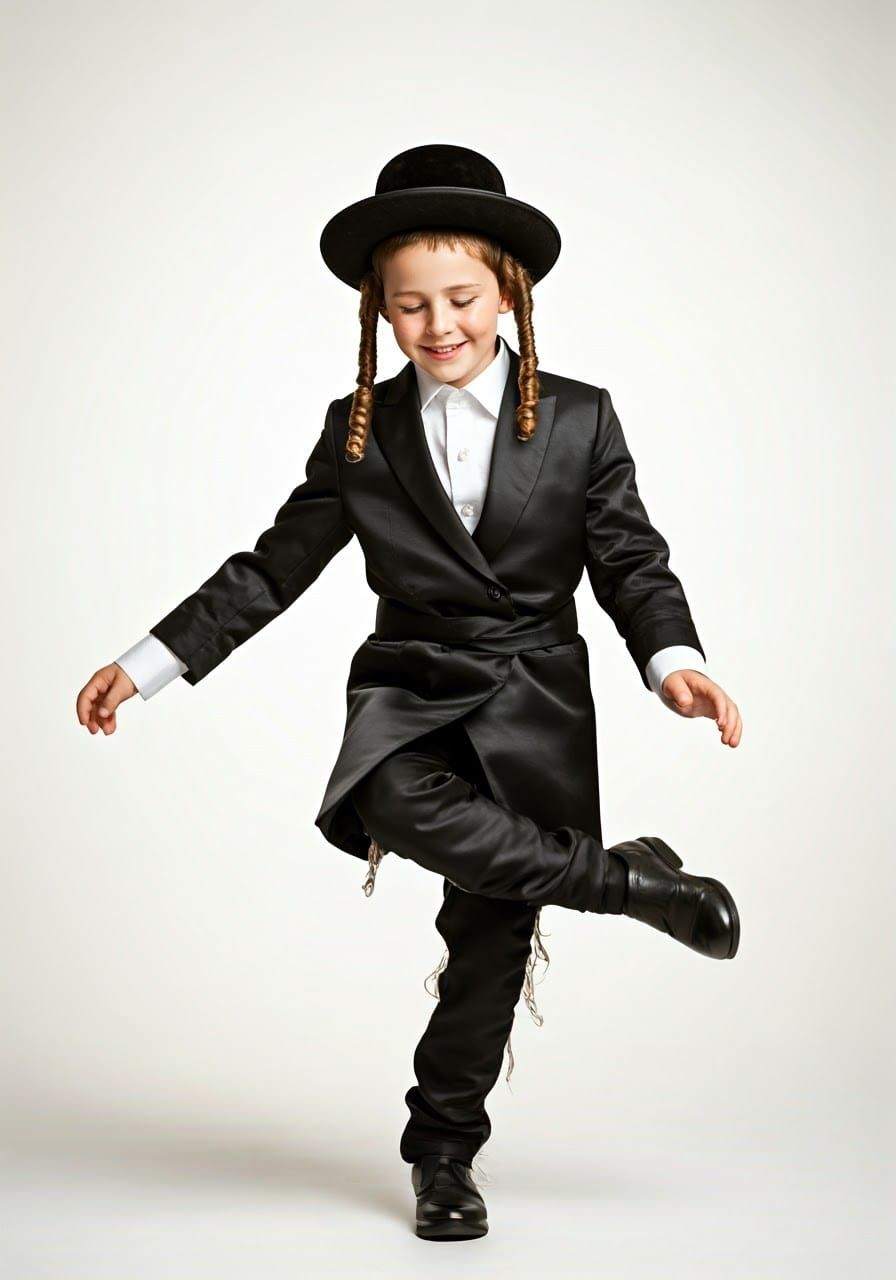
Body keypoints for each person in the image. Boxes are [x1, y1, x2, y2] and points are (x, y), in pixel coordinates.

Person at [76, 143, 743, 1243]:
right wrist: (150, 662)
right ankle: (629, 884)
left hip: (534, 699)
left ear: (507, 293)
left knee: (486, 946)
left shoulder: (580, 418)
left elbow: (629, 559)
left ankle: (442, 1153)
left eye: (461, 298)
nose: (437, 326)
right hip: (413, 687)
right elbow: (271, 567)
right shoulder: (361, 431)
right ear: (379, 314)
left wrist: (674, 662)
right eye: (408, 307)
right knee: (385, 795)